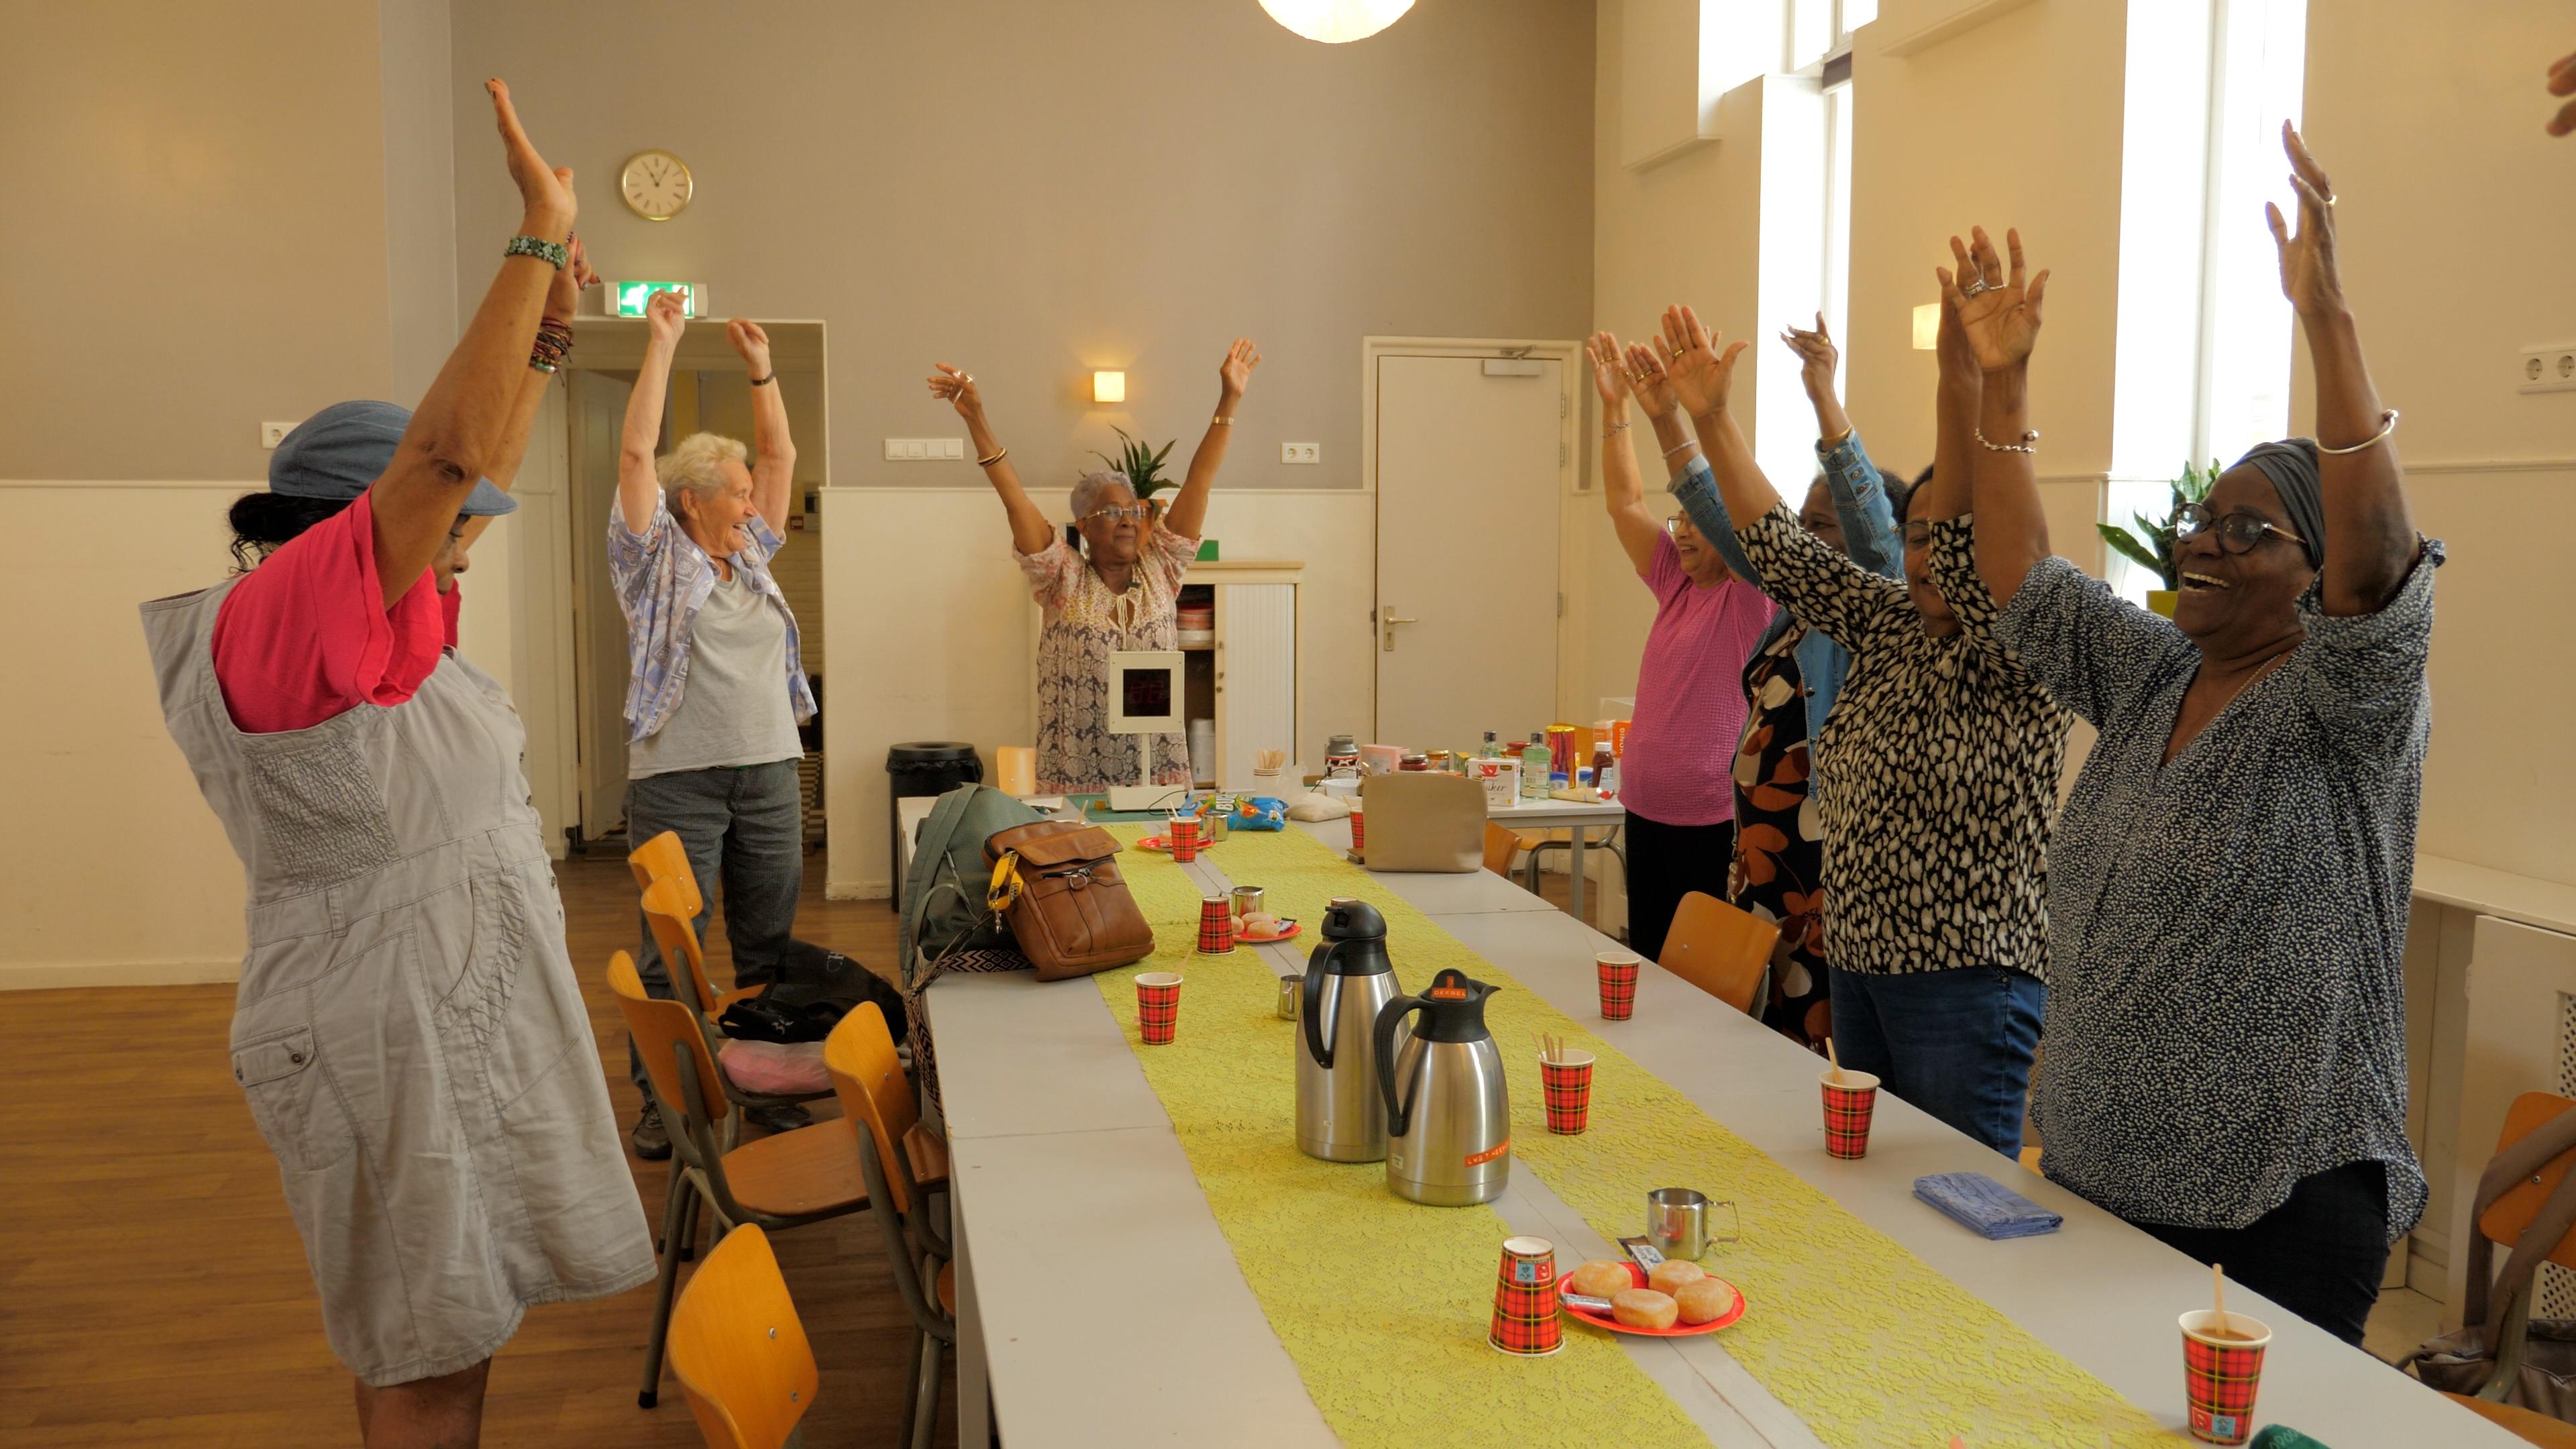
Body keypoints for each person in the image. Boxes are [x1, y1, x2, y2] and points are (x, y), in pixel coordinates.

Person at [142, 81, 653, 1447]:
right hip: (380, 1026)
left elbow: (466, 471)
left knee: (459, 1318)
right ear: (347, 526)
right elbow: (444, 453)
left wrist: (550, 345)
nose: (468, 538)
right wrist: (538, 241)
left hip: (447, 1001)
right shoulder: (284, 621)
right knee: (421, 1344)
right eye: (447, 524)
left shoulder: (389, 611)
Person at [1929, 127, 2432, 1344]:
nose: (2203, 543)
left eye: (2249, 531)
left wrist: (2329, 322)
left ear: (2318, 574)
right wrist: (2003, 389)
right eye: (2202, 520)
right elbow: (2022, 580)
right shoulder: (2159, 673)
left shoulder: (2342, 705)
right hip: (2103, 1175)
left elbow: (2381, 566)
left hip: (2277, 1203)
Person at [1657, 294, 2071, 1156]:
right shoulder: (1884, 622)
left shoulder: (2011, 651)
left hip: (1964, 978)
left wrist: (1970, 380)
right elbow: (1774, 545)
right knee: (1874, 1190)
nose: (1924, 557)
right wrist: (1712, 421)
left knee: (1956, 1199)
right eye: (1913, 538)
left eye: (1941, 540)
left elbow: (1977, 544)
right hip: (1860, 963)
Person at [1622, 316, 1905, 1051]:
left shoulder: (1868, 613)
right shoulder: (1790, 612)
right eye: (1802, 527)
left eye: (1824, 528)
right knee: (1771, 1039)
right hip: (1763, 869)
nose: (1806, 543)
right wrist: (1672, 420)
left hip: (1820, 875)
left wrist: (1821, 399)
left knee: (1821, 1048)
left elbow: (1871, 532)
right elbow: (1730, 523)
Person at [610, 288, 816, 1157]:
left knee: (766, 939)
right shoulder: (654, 557)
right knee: (673, 948)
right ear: (689, 500)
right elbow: (633, 451)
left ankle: (760, 1081)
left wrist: (762, 371)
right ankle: (668, 1095)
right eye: (734, 493)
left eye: (748, 492)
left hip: (769, 768)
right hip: (678, 778)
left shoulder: (753, 557)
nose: (752, 502)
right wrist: (662, 342)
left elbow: (781, 451)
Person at [930, 339, 1259, 797]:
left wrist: (1230, 398)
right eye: (1110, 513)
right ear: (1083, 527)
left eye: (1133, 511)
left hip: (1156, 771)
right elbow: (1014, 499)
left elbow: (1200, 483)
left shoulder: (1161, 569)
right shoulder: (1061, 576)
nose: (1126, 519)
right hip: (1075, 775)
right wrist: (977, 419)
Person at [1581, 331, 1771, 964]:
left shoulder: (1748, 594)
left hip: (1712, 820)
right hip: (1647, 807)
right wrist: (1615, 410)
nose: (1682, 532)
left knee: (1697, 976)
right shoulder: (1674, 582)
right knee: (1651, 964)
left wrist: (1684, 415)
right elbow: (1625, 501)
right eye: (1678, 520)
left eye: (1696, 520)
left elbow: (1734, 516)